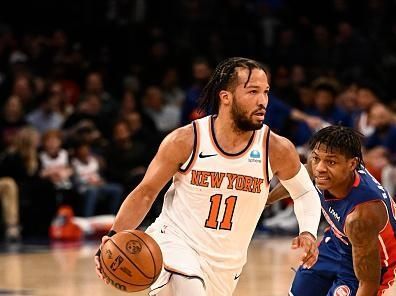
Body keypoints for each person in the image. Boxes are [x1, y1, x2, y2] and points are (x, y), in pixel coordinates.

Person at [94, 57, 322, 296]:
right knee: (187, 283)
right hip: (174, 244)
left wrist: (307, 231)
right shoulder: (185, 140)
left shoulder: (276, 148)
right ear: (226, 97)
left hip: (226, 266)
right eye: (253, 91)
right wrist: (112, 236)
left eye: (265, 92)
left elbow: (305, 192)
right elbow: (145, 193)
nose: (263, 101)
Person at [267, 125, 396, 296]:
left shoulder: (362, 215)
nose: (320, 168)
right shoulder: (323, 173)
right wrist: (265, 201)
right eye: (316, 158)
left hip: (374, 260)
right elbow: (301, 175)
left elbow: (368, 283)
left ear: (352, 164)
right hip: (337, 242)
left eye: (331, 161)